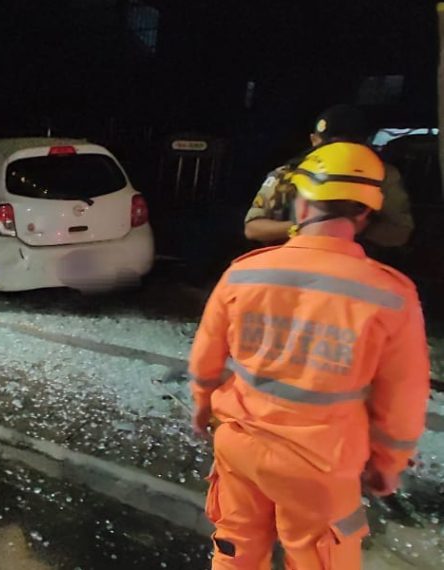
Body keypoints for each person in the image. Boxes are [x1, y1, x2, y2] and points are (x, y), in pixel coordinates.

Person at [189, 142, 430, 569]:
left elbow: (206, 358)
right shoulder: (391, 295)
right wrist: (388, 463)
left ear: (302, 204)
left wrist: (203, 407)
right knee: (320, 559)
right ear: (365, 214)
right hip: (322, 463)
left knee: (235, 550)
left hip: (239, 445)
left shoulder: (244, 271)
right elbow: (404, 394)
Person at [244, 104, 414, 251]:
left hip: (355, 264)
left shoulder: (383, 176)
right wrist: (306, 226)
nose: (337, 152)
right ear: (314, 141)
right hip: (292, 260)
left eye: (347, 144)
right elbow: (253, 229)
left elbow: (400, 233)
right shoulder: (289, 173)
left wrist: (353, 226)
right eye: (330, 145)